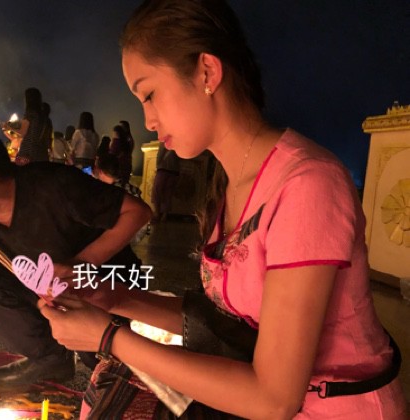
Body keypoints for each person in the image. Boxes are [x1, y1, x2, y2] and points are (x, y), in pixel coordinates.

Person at [39, 1, 408, 419]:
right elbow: (229, 324)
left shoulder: (307, 185)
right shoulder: (231, 183)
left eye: (150, 94)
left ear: (207, 72)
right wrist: (111, 297)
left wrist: (108, 338)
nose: (149, 120)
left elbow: (274, 399)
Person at [0, 135, 151, 388]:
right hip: (52, 289)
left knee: (106, 367)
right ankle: (50, 357)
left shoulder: (52, 184)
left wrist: (82, 263)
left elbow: (138, 212)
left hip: (107, 281)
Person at [2, 87, 48, 165]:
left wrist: (8, 126)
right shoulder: (41, 117)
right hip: (39, 153)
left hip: (27, 153)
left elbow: (22, 132)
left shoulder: (30, 114)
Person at [151, 142, 180, 222]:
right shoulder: (178, 142)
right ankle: (165, 215)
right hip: (174, 170)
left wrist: (158, 165)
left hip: (163, 168)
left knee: (157, 191)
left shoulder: (164, 141)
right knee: (168, 193)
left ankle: (157, 213)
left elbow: (160, 154)